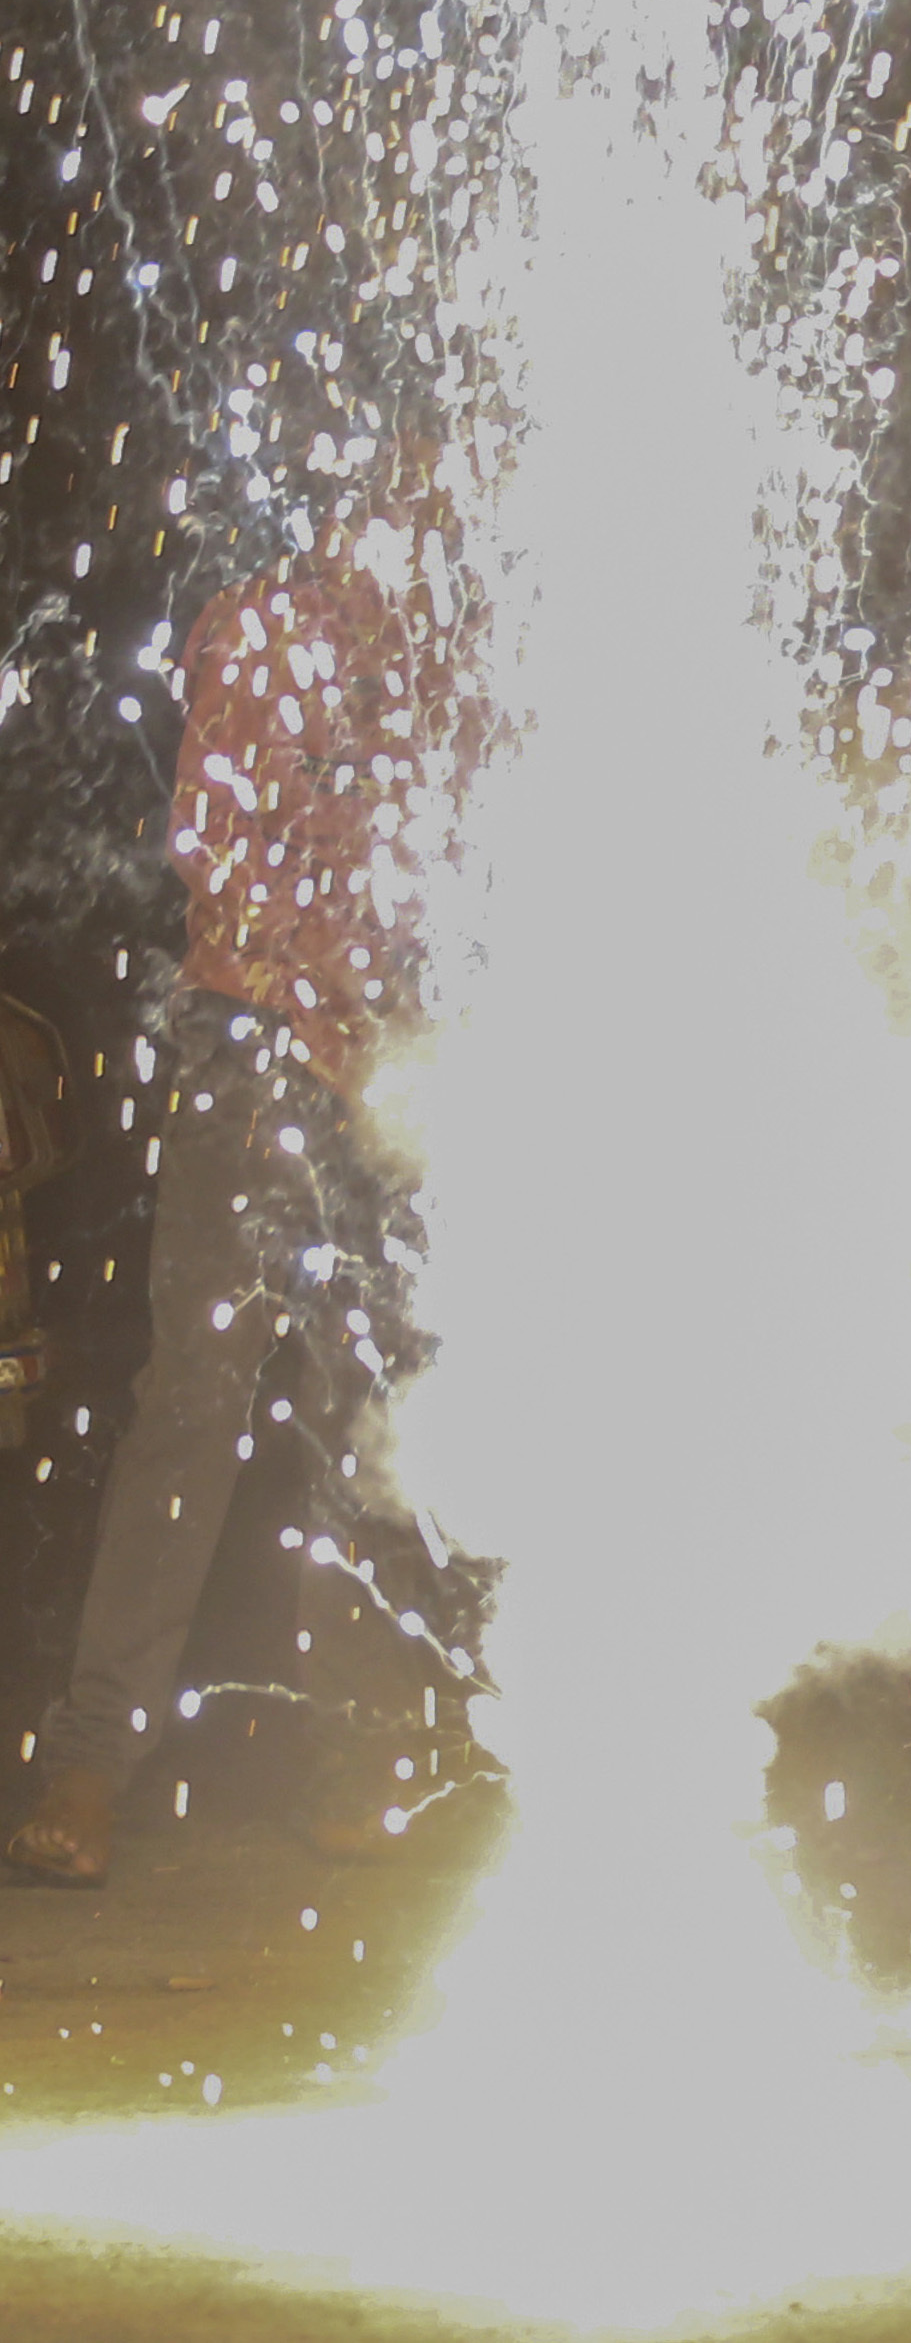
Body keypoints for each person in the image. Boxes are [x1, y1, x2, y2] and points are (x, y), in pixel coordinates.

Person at [3, 506, 472, 1888]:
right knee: (193, 1403)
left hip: (402, 1054)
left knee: (368, 1412)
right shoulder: (266, 621)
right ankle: (93, 1756)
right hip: (256, 1047)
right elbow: (219, 854)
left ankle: (355, 1741)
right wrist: (337, 1021)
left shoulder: (463, 632)